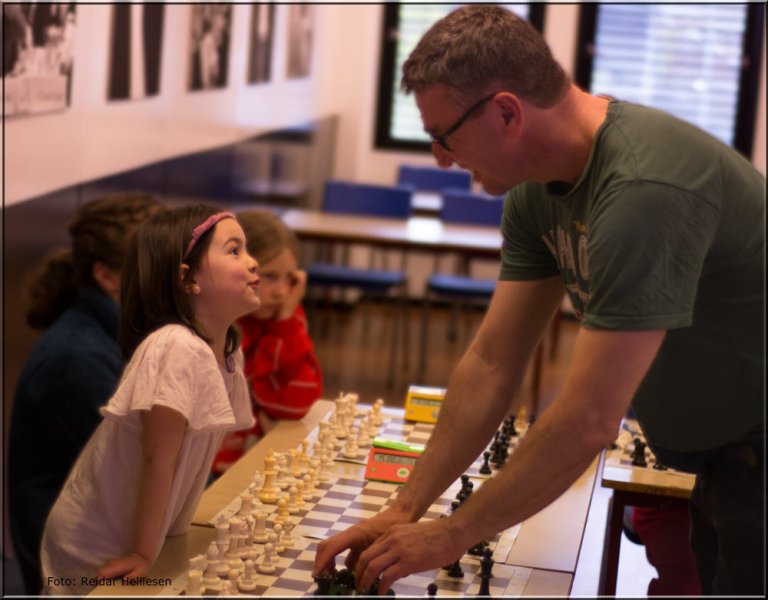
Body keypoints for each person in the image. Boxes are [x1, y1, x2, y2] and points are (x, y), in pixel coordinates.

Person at [313, 5, 764, 596]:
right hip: (724, 455)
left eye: (443, 136)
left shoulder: (642, 192)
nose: (440, 158)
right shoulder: (536, 191)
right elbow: (493, 361)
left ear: (506, 111)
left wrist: (453, 534)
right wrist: (407, 508)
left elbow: (587, 418)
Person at [39, 205, 260, 595]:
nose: (253, 262)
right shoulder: (176, 346)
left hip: (147, 535)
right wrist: (143, 553)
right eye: (234, 250)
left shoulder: (226, 350)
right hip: (99, 543)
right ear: (188, 279)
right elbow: (159, 457)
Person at [8, 193, 164, 595]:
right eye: (157, 267)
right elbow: (131, 475)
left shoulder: (124, 332)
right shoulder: (76, 359)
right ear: (107, 276)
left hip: (104, 540)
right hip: (75, 568)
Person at [211, 209, 322, 476]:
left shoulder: (285, 318)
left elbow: (295, 405)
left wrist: (285, 322)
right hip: (212, 469)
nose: (282, 292)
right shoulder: (216, 323)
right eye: (269, 276)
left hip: (255, 460)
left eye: (290, 279)